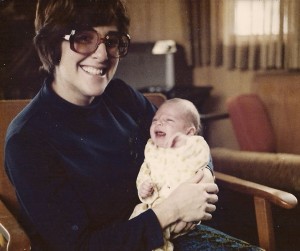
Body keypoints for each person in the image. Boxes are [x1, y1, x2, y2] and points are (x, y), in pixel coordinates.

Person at [4, 0, 218, 250]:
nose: (103, 55)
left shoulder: (120, 95)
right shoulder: (27, 139)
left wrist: (203, 177)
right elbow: (79, 246)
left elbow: (186, 140)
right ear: (51, 44)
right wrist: (170, 211)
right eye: (84, 38)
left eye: (112, 40)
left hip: (171, 236)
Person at [130, 98, 214, 251]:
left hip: (185, 211)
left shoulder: (192, 146)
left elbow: (202, 158)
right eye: (155, 120)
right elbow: (144, 172)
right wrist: (144, 187)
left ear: (189, 132)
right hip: (154, 207)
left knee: (154, 233)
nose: (159, 123)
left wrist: (186, 144)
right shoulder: (152, 149)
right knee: (138, 216)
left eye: (168, 120)